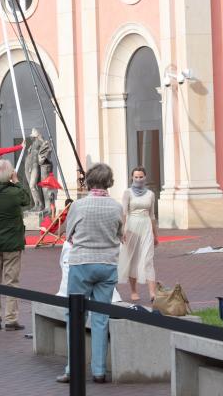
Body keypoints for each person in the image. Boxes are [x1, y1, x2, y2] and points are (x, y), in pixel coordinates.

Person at [56, 163, 124, 385]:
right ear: (109, 182)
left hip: (82, 263)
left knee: (75, 316)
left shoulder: (79, 205)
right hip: (107, 264)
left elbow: (67, 232)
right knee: (101, 318)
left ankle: (72, 368)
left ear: (89, 182)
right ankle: (99, 370)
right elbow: (120, 233)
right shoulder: (116, 207)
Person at [0, 159, 30, 331]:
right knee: (12, 282)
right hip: (12, 243)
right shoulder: (16, 193)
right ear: (10, 174)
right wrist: (16, 181)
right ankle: (11, 319)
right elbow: (27, 199)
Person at [118, 167, 159, 302]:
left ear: (145, 177)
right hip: (132, 227)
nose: (138, 179)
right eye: (136, 177)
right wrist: (123, 230)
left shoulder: (151, 194)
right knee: (133, 259)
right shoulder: (127, 193)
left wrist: (155, 234)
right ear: (132, 178)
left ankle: (152, 293)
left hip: (146, 226)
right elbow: (124, 212)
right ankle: (134, 291)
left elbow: (152, 215)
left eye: (141, 177)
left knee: (148, 259)